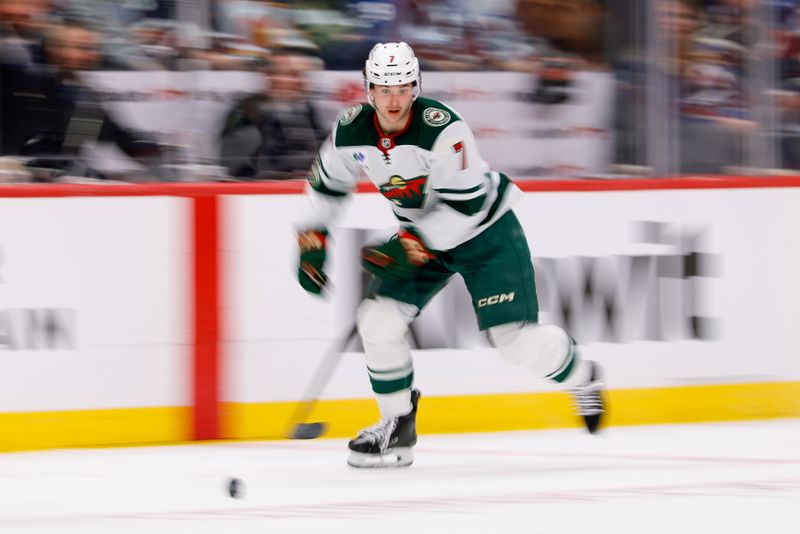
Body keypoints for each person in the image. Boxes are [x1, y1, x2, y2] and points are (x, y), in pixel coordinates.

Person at [295, 42, 606, 468]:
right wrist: (312, 240)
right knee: (377, 321)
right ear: (368, 90)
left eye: (402, 88)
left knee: (514, 343)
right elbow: (325, 187)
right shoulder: (350, 130)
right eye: (384, 89)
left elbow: (466, 208)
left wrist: (405, 248)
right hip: (423, 239)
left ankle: (583, 376)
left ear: (416, 87)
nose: (393, 99)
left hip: (485, 234)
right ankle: (397, 426)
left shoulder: (443, 129)